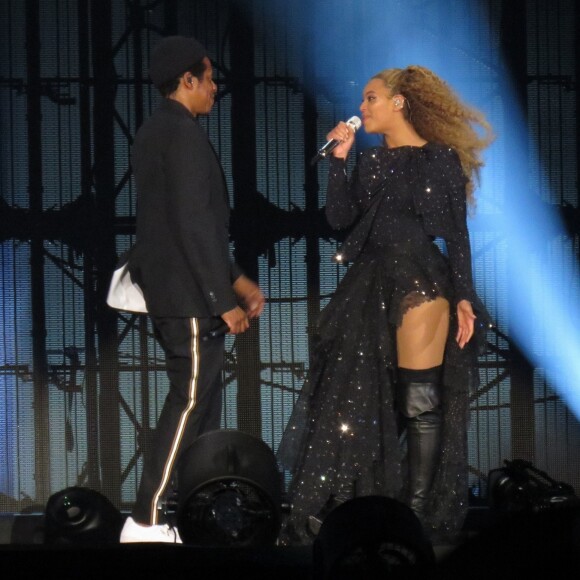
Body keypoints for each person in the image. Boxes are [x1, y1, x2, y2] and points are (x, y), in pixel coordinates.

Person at [277, 65, 494, 545]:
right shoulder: (371, 161)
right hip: (370, 283)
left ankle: (412, 518)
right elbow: (339, 219)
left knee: (419, 401)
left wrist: (464, 297)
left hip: (420, 281)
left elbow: (456, 235)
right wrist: (339, 161)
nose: (361, 107)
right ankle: (355, 507)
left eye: (370, 98)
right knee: (358, 400)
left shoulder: (439, 159)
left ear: (399, 102)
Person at [118, 35, 265, 543]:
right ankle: (148, 518)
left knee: (201, 409)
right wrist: (222, 301)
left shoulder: (159, 130)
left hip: (184, 290)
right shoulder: (178, 135)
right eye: (209, 77)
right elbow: (191, 224)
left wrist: (236, 280)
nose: (215, 87)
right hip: (187, 297)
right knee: (189, 404)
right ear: (187, 80)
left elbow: (188, 223)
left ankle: (184, 516)